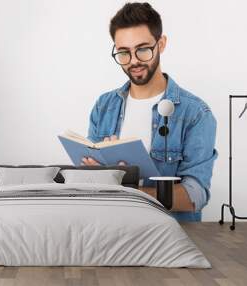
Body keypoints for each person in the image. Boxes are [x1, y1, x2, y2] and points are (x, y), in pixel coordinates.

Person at [83, 2, 218, 222]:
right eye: (124, 53)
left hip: (168, 239)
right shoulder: (104, 106)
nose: (134, 60)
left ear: (161, 44)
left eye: (143, 49)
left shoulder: (196, 113)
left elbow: (195, 194)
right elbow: (92, 180)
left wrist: (128, 190)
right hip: (110, 231)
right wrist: (93, 175)